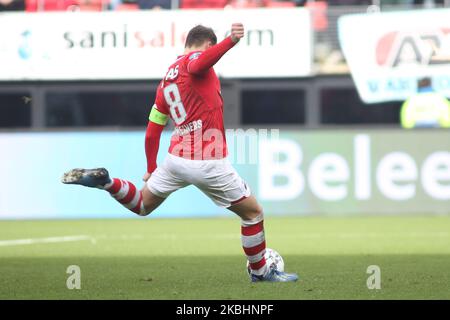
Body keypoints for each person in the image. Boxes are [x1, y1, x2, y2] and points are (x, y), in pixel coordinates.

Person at [62, 23, 298, 283]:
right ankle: (261, 272)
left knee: (142, 204)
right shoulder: (195, 61)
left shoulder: (165, 81)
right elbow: (199, 64)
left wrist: (151, 167)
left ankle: (106, 182)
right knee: (253, 213)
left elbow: (153, 128)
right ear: (208, 44)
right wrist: (230, 40)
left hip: (176, 160)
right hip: (207, 161)